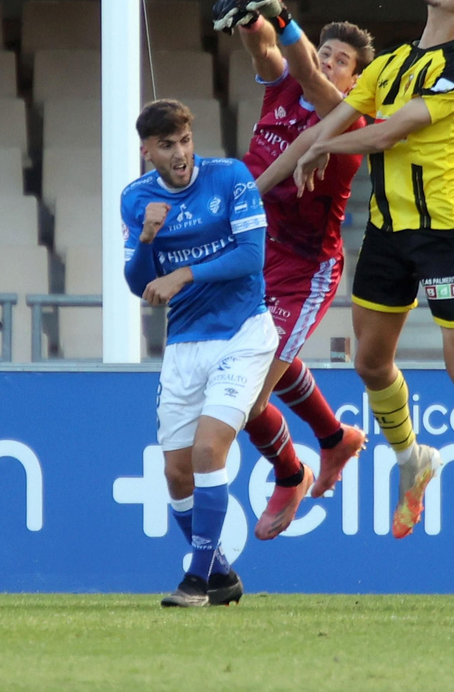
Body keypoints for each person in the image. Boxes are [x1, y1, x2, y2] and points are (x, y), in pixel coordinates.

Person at [241, 0, 454, 552]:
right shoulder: (388, 63)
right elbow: (324, 120)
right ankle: (412, 459)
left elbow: (388, 131)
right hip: (387, 237)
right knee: (369, 363)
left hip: (445, 240)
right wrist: (251, 196)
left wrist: (322, 146)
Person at [207, 0, 370, 540]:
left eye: (341, 61)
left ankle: (290, 472)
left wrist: (279, 12)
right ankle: (332, 437)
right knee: (239, 367)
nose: (328, 62)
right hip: (257, 254)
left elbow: (302, 66)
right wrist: (249, 21)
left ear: (353, 82)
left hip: (305, 270)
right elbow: (267, 50)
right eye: (326, 51)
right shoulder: (282, 88)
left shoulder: (346, 118)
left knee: (248, 398)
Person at [122, 99, 276, 607]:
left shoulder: (230, 177)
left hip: (243, 332)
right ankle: (222, 574)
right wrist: (147, 238)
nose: (180, 154)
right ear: (147, 152)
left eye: (184, 141)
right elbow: (139, 285)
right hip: (185, 343)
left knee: (210, 450)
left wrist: (184, 272)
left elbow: (252, 256)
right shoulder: (136, 199)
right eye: (167, 146)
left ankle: (195, 579)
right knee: (177, 472)